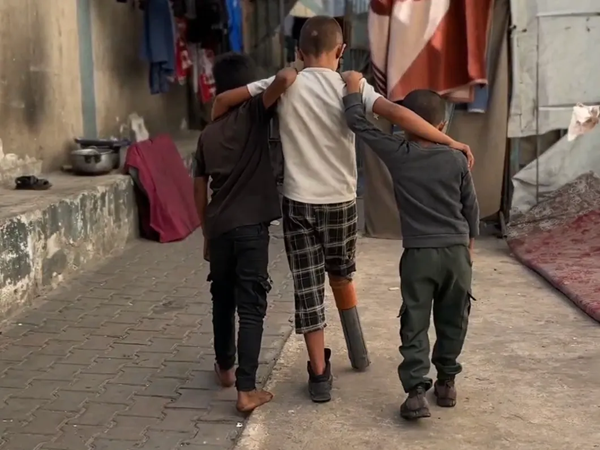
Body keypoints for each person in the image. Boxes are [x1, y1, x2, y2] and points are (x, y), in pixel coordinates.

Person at [211, 16, 474, 404]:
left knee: (307, 289)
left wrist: (218, 132)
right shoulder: (351, 85)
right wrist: (449, 141)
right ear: (341, 51)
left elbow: (224, 102)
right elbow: (400, 115)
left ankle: (319, 375)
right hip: (342, 203)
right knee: (341, 273)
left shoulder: (284, 82)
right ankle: (357, 351)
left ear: (299, 52)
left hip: (298, 201)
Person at [341, 71, 480, 420]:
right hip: (456, 253)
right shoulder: (456, 159)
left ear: (404, 125)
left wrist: (353, 88)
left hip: (418, 255)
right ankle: (446, 382)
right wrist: (469, 244)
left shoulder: (399, 153)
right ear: (442, 125)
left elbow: (358, 122)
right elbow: (471, 207)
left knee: (415, 320)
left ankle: (416, 392)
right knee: (454, 318)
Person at [193, 52, 298, 413]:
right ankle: (247, 390)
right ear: (248, 88)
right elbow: (283, 79)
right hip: (250, 228)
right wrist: (295, 66)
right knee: (252, 305)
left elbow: (199, 187)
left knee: (222, 298)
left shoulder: (207, 133)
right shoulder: (253, 114)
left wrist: (206, 233)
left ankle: (225, 368)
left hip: (219, 228)